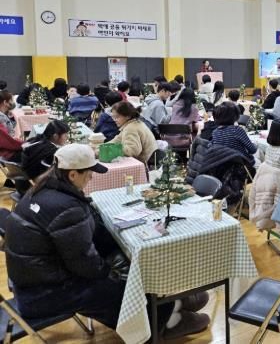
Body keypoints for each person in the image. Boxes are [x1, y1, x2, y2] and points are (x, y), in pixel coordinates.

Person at [6, 143, 210, 339]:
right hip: (46, 295)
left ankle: (166, 305)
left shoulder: (43, 190)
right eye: (89, 172)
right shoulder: (66, 207)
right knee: (124, 287)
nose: (91, 177)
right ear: (73, 174)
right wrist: (111, 272)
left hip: (34, 284)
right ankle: (164, 321)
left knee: (124, 268)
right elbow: (84, 262)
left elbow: (80, 247)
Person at [0, 91, 22, 162]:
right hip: (7, 152)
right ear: (5, 102)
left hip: (8, 147)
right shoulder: (1, 117)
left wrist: (11, 118)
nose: (13, 102)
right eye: (11, 100)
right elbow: (7, 138)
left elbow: (11, 127)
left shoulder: (4, 114)